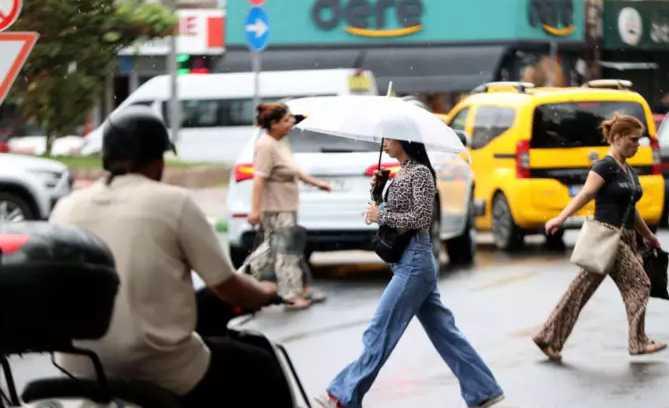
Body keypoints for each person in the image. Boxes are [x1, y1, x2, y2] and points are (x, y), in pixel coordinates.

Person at [49, 108, 295, 408]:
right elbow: (227, 286)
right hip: (158, 365)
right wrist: (266, 294)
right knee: (260, 364)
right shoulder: (173, 202)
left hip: (79, 365)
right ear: (157, 161)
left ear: (106, 159)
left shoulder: (66, 207)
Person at [313, 139, 505, 408]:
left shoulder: (422, 172)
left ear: (404, 140)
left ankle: (343, 395)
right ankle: (484, 391)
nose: (385, 144)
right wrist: (378, 194)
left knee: (380, 330)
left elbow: (422, 218)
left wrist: (381, 215)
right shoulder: (402, 170)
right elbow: (389, 213)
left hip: (415, 261)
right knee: (445, 332)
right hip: (406, 261)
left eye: (389, 139)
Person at [532, 113, 666, 361]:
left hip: (625, 237)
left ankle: (548, 337)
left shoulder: (627, 170)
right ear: (617, 138)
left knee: (580, 290)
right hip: (607, 236)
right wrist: (560, 219)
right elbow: (585, 195)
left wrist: (647, 235)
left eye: (639, 141)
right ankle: (637, 342)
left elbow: (631, 208)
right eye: (634, 140)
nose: (638, 145)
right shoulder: (605, 167)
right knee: (639, 284)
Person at [247, 102, 331, 310]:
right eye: (286, 120)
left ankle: (293, 288)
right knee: (283, 252)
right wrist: (255, 210)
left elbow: (295, 170)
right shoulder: (265, 145)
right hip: (275, 208)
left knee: (285, 250)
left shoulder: (281, 142)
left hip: (287, 205)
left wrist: (317, 183)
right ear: (273, 124)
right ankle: (289, 295)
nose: (291, 122)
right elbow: (259, 180)